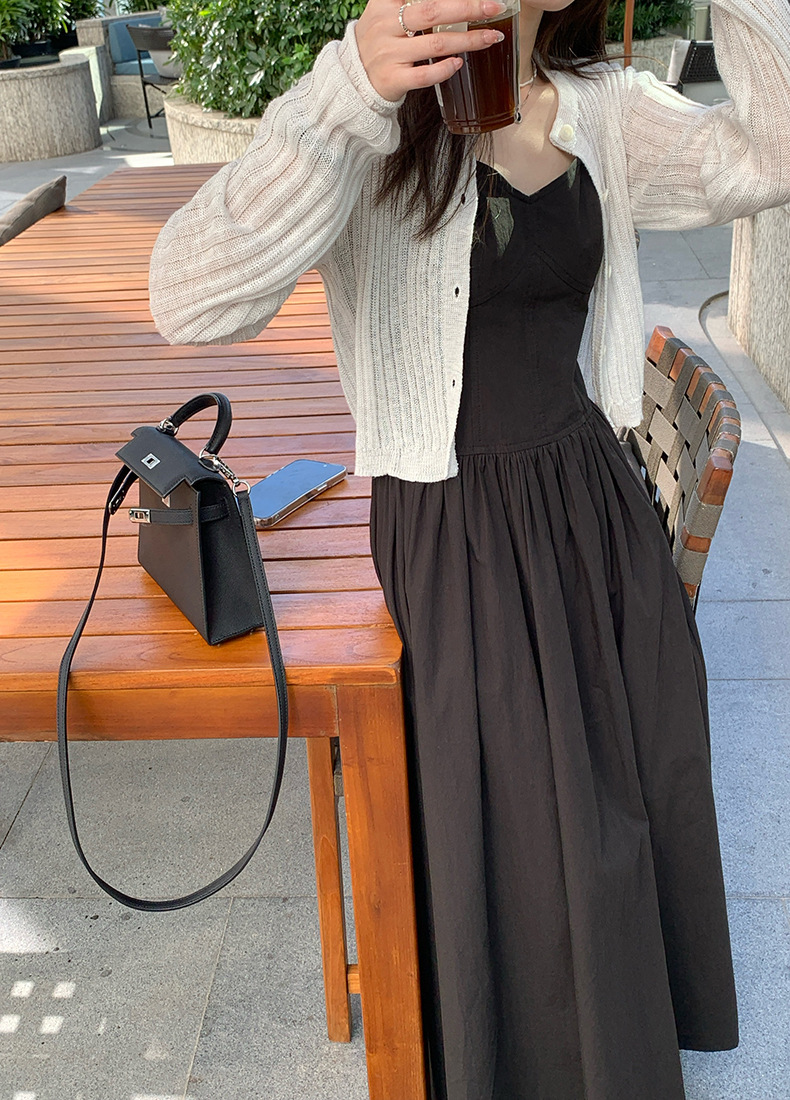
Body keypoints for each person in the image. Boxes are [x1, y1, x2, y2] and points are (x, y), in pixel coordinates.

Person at [148, 1, 790, 1096]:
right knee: (517, 819)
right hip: (451, 525)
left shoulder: (602, 110)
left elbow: (768, 153)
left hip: (588, 507)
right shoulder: (368, 114)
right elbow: (186, 297)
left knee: (608, 806)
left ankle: (620, 1049)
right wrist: (348, 92)